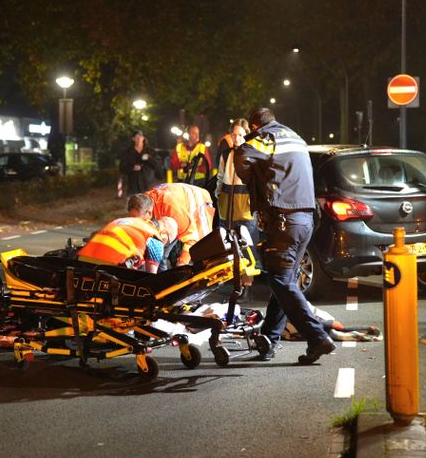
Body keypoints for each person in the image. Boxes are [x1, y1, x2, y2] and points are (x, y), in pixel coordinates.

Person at [234, 107, 336, 364]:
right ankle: (269, 340)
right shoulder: (296, 137)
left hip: (283, 220)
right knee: (285, 280)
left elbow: (241, 156)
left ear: (255, 126)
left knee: (280, 280)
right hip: (305, 220)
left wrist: (253, 181)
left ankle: (317, 336)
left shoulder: (266, 138)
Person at [144, 182, 214, 267]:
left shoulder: (176, 214)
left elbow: (192, 240)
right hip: (176, 201)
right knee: (161, 253)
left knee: (204, 247)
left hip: (200, 201)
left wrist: (182, 262)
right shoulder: (143, 203)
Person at [77, 216, 178, 274]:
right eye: (167, 242)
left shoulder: (134, 221)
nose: (164, 245)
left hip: (82, 261)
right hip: (106, 268)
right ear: (164, 232)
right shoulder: (156, 240)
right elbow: (151, 278)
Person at [216, 118, 258, 247]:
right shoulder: (226, 154)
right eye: (234, 134)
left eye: (240, 134)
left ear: (247, 134)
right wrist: (218, 195)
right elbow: (220, 178)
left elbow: (257, 181)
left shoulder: (253, 154)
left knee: (248, 251)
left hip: (245, 212)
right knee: (228, 251)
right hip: (226, 211)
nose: (236, 138)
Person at [119, 130, 160, 195]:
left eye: (140, 136)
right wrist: (132, 168)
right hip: (133, 187)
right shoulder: (127, 152)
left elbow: (157, 166)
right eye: (136, 137)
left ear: (143, 138)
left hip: (148, 186)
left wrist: (149, 158)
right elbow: (122, 168)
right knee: (134, 204)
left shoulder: (150, 151)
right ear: (133, 139)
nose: (139, 139)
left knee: (149, 204)